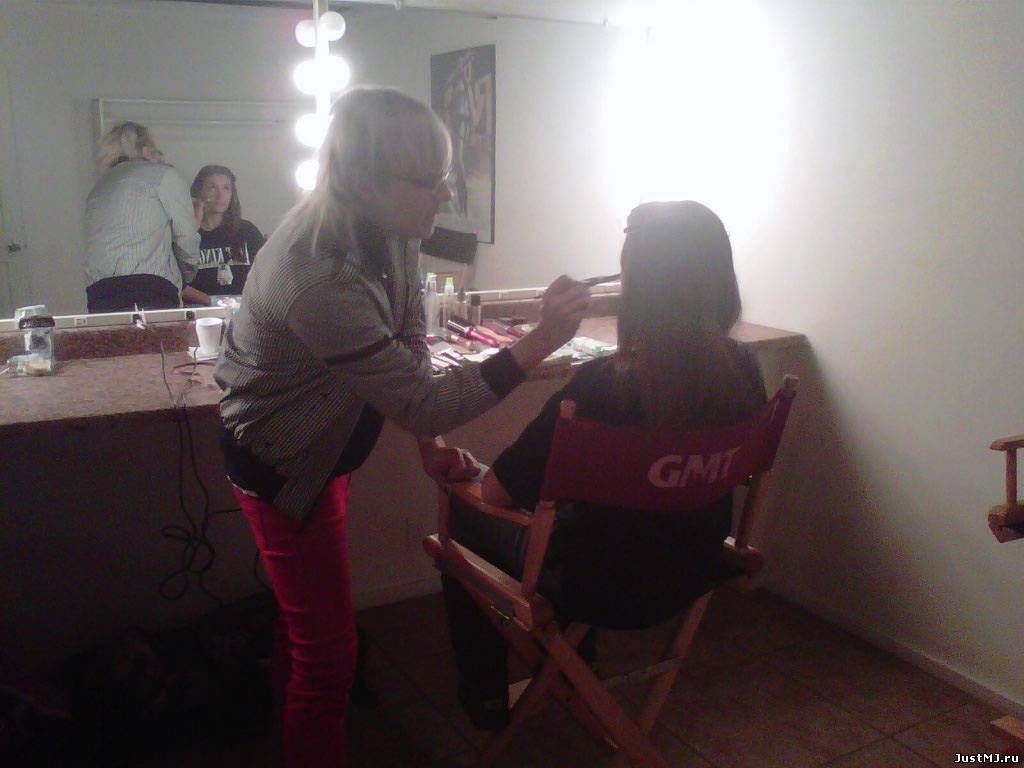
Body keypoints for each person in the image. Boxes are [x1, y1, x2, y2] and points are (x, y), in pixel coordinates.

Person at [213, 86, 590, 768]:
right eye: (429, 180)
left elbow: (408, 346)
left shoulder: (386, 229)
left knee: (305, 630)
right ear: (364, 180)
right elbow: (423, 400)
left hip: (323, 454)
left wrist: (430, 446)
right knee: (330, 654)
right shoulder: (318, 275)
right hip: (282, 465)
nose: (445, 194)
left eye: (445, 176)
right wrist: (540, 341)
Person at [440, 200, 767, 730]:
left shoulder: (601, 388)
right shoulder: (745, 372)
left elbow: (497, 495)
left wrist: (471, 474)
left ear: (637, 287)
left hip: (600, 585)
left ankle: (488, 694)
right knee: (585, 519)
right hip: (696, 566)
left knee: (463, 514)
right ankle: (573, 666)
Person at [83, 122, 200, 312]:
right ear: (146, 148)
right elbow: (187, 238)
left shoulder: (98, 188)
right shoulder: (163, 175)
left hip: (99, 292)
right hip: (150, 288)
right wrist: (187, 275)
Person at [182, 165, 265, 306]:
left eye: (226, 188)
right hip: (200, 311)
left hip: (244, 310)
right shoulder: (186, 233)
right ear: (199, 192)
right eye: (212, 188)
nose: (220, 196)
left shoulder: (247, 231)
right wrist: (213, 302)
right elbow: (175, 281)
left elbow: (265, 273)